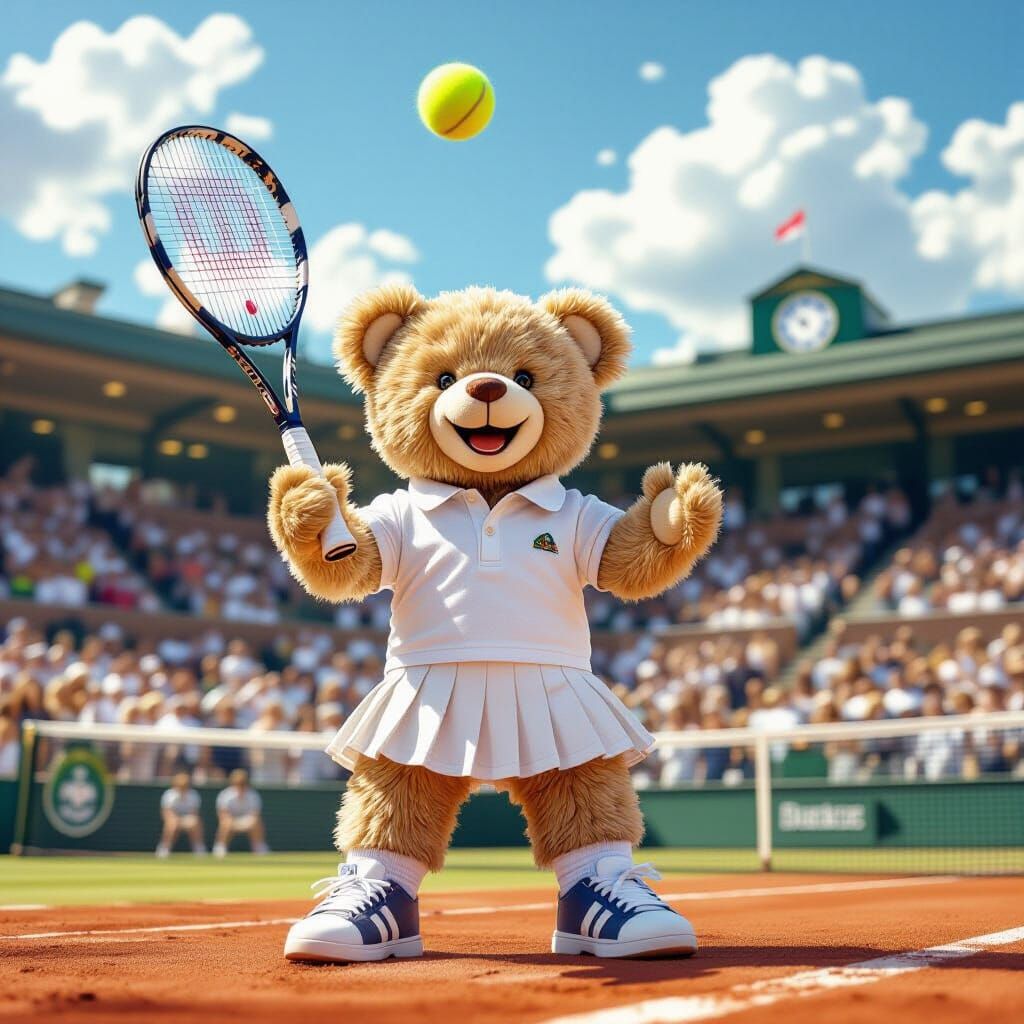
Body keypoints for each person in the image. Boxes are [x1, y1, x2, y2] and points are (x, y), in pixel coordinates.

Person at [213, 769, 269, 857]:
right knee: (226, 823)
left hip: (247, 821)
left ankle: (259, 847)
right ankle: (221, 847)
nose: (240, 787)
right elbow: (223, 815)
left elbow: (255, 815)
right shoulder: (225, 795)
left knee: (256, 822)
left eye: (243, 784)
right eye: (238, 784)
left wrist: (244, 823)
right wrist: (232, 822)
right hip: (231, 821)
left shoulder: (253, 795)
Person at [157, 771, 206, 857]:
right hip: (173, 819)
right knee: (172, 824)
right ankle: (165, 848)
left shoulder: (193, 795)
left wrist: (186, 819)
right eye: (180, 786)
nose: (182, 788)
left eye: (185, 786)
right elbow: (167, 813)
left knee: (195, 822)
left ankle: (198, 848)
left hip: (187, 819)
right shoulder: (169, 795)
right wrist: (175, 819)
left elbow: (194, 813)